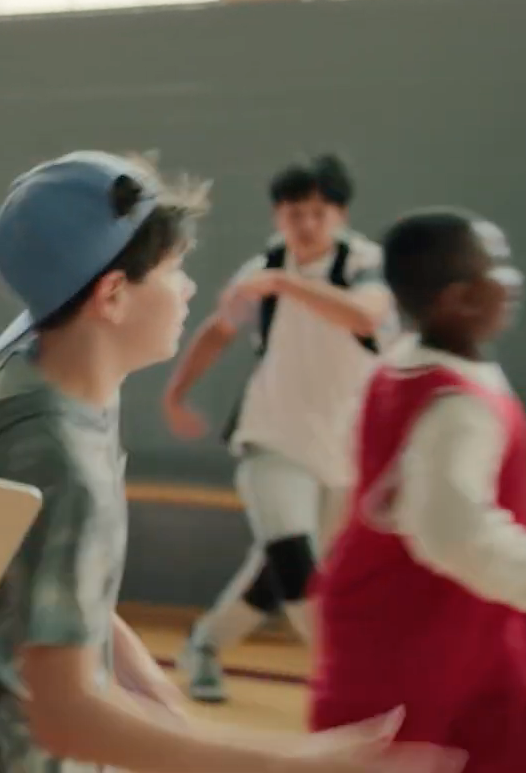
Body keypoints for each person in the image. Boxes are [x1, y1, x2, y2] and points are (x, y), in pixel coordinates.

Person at [0, 151, 456, 773]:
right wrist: (296, 763)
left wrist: (150, 689)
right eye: (175, 269)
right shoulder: (62, 459)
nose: (189, 287)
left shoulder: (33, 378)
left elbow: (44, 581)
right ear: (112, 296)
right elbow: (65, 715)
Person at [311, 208, 526, 770]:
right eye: (497, 267)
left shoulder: (398, 371)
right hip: (420, 636)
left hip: (460, 627)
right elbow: (454, 536)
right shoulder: (457, 404)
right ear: (459, 299)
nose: (511, 280)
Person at [161, 154, 393, 702]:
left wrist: (285, 284)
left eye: (318, 212)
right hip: (271, 438)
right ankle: (352, 675)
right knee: (295, 565)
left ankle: (204, 644)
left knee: (274, 577)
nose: (306, 225)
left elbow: (366, 317)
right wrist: (176, 393)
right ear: (278, 216)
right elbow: (219, 332)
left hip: (342, 451)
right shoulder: (262, 268)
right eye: (294, 214)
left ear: (339, 214)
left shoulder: (363, 262)